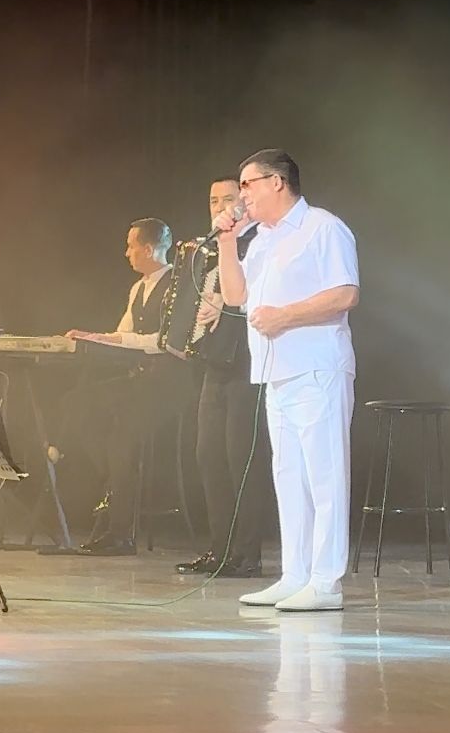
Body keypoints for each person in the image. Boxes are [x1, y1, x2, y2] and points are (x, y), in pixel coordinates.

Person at [213, 149, 359, 611]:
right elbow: (235, 296)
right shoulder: (260, 240)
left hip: (317, 366)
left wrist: (286, 316)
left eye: (248, 184)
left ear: (277, 181)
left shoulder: (322, 227)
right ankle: (294, 574)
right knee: (289, 476)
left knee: (325, 476)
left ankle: (326, 582)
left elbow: (346, 293)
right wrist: (227, 243)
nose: (241, 196)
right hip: (276, 373)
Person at [51, 217, 194, 555]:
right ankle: (117, 484)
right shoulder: (137, 289)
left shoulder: (178, 285)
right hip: (141, 379)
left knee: (121, 436)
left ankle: (120, 530)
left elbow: (164, 341)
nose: (127, 253)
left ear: (149, 249)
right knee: (76, 402)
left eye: (131, 246)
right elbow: (122, 334)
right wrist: (92, 337)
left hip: (169, 384)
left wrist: (110, 339)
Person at [176, 177, 276, 579]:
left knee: (242, 460)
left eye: (228, 199)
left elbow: (262, 297)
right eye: (213, 200)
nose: (219, 207)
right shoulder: (212, 249)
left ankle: (247, 554)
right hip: (215, 365)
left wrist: (227, 304)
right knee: (209, 457)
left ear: (245, 203)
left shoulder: (262, 241)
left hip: (247, 364)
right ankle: (219, 549)